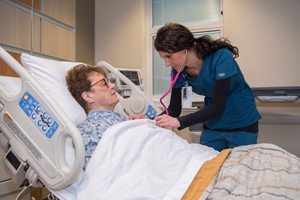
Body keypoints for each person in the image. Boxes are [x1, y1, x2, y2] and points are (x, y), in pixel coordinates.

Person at [153, 23, 262, 152]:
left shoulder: (221, 57)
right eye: (163, 58)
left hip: (241, 121)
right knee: (207, 166)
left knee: (239, 167)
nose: (167, 64)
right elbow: (174, 109)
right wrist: (149, 121)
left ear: (184, 48)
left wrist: (179, 122)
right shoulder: (178, 71)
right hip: (213, 124)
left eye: (168, 56)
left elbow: (217, 105)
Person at [66, 64, 146, 169]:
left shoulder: (121, 120)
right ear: (88, 96)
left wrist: (144, 126)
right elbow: (103, 174)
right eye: (104, 83)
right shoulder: (90, 130)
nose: (112, 86)